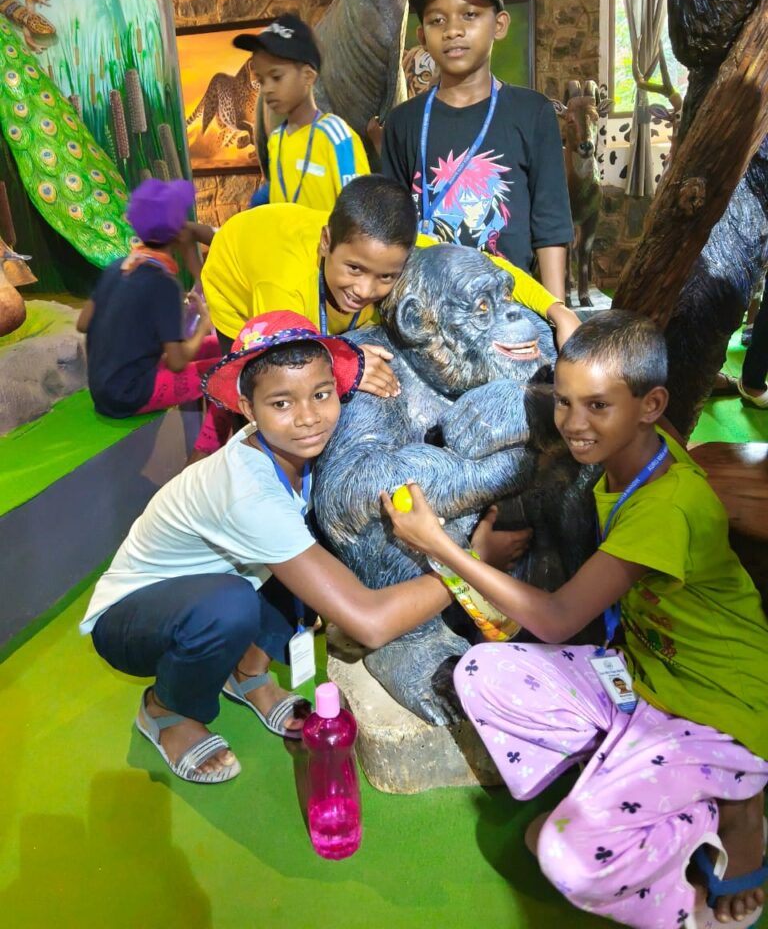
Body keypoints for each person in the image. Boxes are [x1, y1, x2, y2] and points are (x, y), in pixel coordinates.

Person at [381, 310, 768, 928]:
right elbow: (608, 381)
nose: (573, 423)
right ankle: (641, 781)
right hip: (646, 678)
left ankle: (713, 851)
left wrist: (441, 546)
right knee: (481, 672)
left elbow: (558, 620)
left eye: (597, 406)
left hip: (721, 706)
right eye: (564, 401)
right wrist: (567, 324)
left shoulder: (666, 507)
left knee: (557, 850)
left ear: (649, 405)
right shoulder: (641, 446)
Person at [79, 310, 524, 784]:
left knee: (306, 546)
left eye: (321, 394)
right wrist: (474, 562)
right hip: (133, 618)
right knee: (229, 605)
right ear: (248, 409)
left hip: (225, 578)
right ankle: (167, 709)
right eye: (281, 403)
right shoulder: (248, 492)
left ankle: (246, 675)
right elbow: (370, 623)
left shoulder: (293, 450)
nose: (309, 418)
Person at [201, 175, 580, 403]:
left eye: (386, 277)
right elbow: (283, 357)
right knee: (262, 397)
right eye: (354, 268)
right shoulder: (282, 282)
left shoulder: (391, 248)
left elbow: (486, 266)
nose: (365, 289)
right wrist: (347, 365)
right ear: (326, 242)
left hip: (311, 283)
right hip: (237, 285)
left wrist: (557, 310)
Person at [380, 0, 573, 302]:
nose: (453, 30)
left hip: (508, 307)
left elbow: (550, 225)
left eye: (469, 15)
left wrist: (554, 311)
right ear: (422, 36)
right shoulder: (403, 122)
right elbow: (392, 228)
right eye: (437, 20)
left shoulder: (533, 113)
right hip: (427, 305)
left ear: (499, 25)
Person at [76, 179, 229, 455]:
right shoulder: (163, 284)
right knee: (227, 373)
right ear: (177, 232)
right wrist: (204, 324)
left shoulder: (117, 267)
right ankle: (200, 459)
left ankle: (194, 442)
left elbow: (83, 323)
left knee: (219, 347)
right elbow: (178, 361)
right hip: (129, 394)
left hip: (102, 389)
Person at [233, 14, 370, 211]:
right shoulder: (276, 140)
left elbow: (360, 213)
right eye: (261, 80)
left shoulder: (336, 137)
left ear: (307, 76)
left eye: (276, 77)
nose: (267, 89)